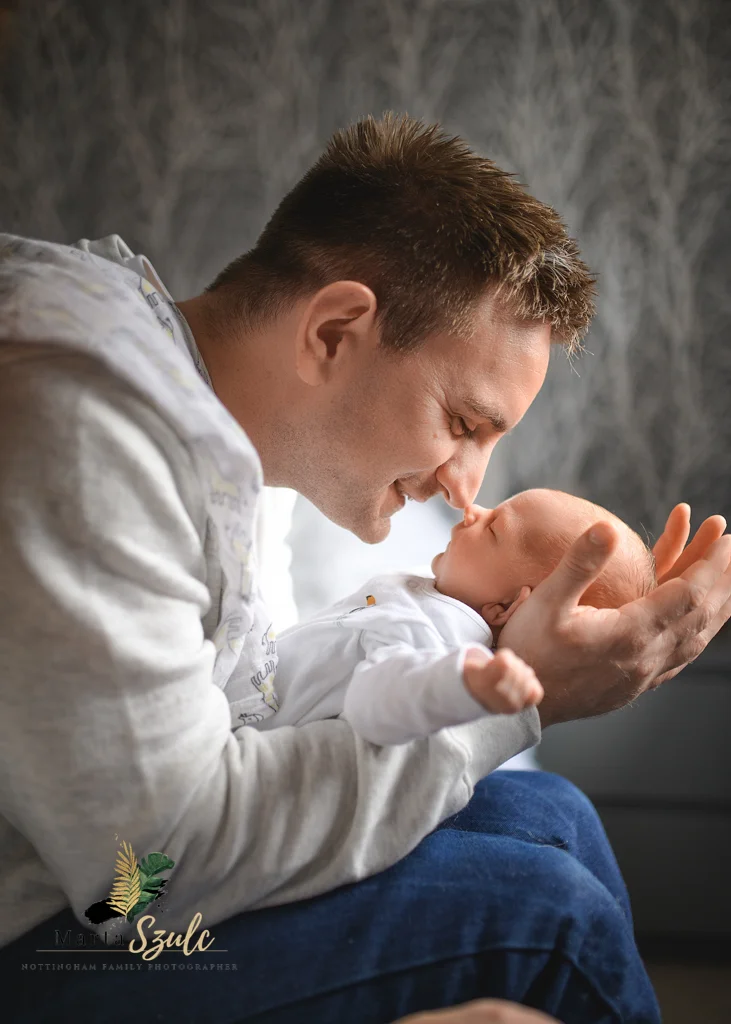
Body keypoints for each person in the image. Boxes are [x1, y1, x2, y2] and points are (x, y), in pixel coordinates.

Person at [1, 112, 730, 1024]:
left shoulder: (221, 436)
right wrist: (524, 697)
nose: (467, 485)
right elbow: (140, 881)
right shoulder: (83, 431)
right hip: (62, 926)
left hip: (108, 889)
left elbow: (245, 720)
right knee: (550, 922)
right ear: (335, 330)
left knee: (552, 817)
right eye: (464, 423)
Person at [260, 489, 657, 745]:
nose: (473, 510)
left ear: (503, 608)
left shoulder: (440, 639)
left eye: (494, 528)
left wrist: (459, 683)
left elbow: (371, 707)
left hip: (254, 732)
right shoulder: (437, 599)